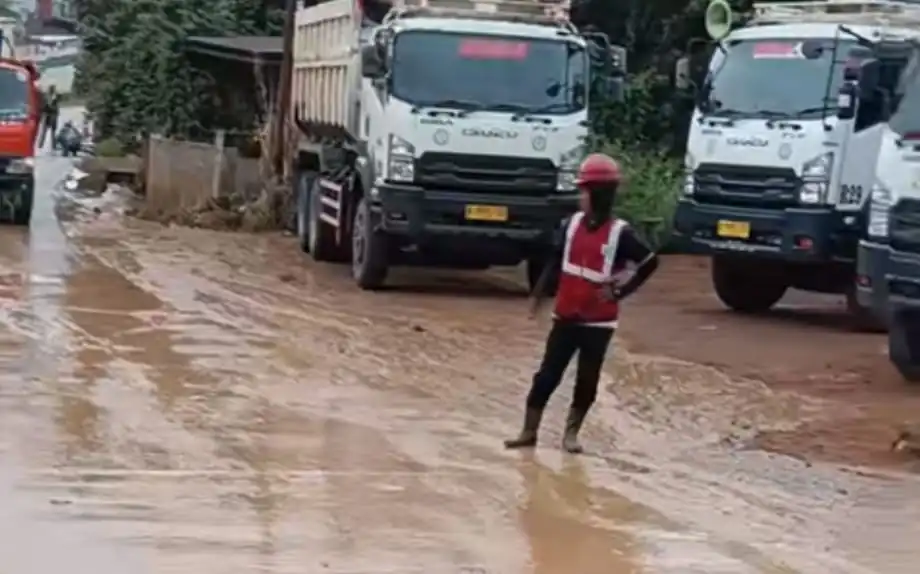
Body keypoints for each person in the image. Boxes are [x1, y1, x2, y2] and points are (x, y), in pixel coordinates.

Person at [504, 153, 660, 454]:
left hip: (598, 322)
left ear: (599, 195)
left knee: (587, 379)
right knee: (547, 375)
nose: (581, 197)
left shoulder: (620, 234)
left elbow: (650, 262)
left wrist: (620, 292)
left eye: (585, 191)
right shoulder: (570, 225)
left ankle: (571, 435)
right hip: (565, 316)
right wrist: (538, 295)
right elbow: (554, 261)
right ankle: (528, 432)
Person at [40, 85, 60, 150]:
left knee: (51, 132)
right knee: (46, 131)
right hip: (49, 115)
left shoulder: (54, 96)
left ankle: (51, 146)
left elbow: (55, 107)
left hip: (51, 115)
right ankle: (42, 145)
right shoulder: (48, 96)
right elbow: (47, 106)